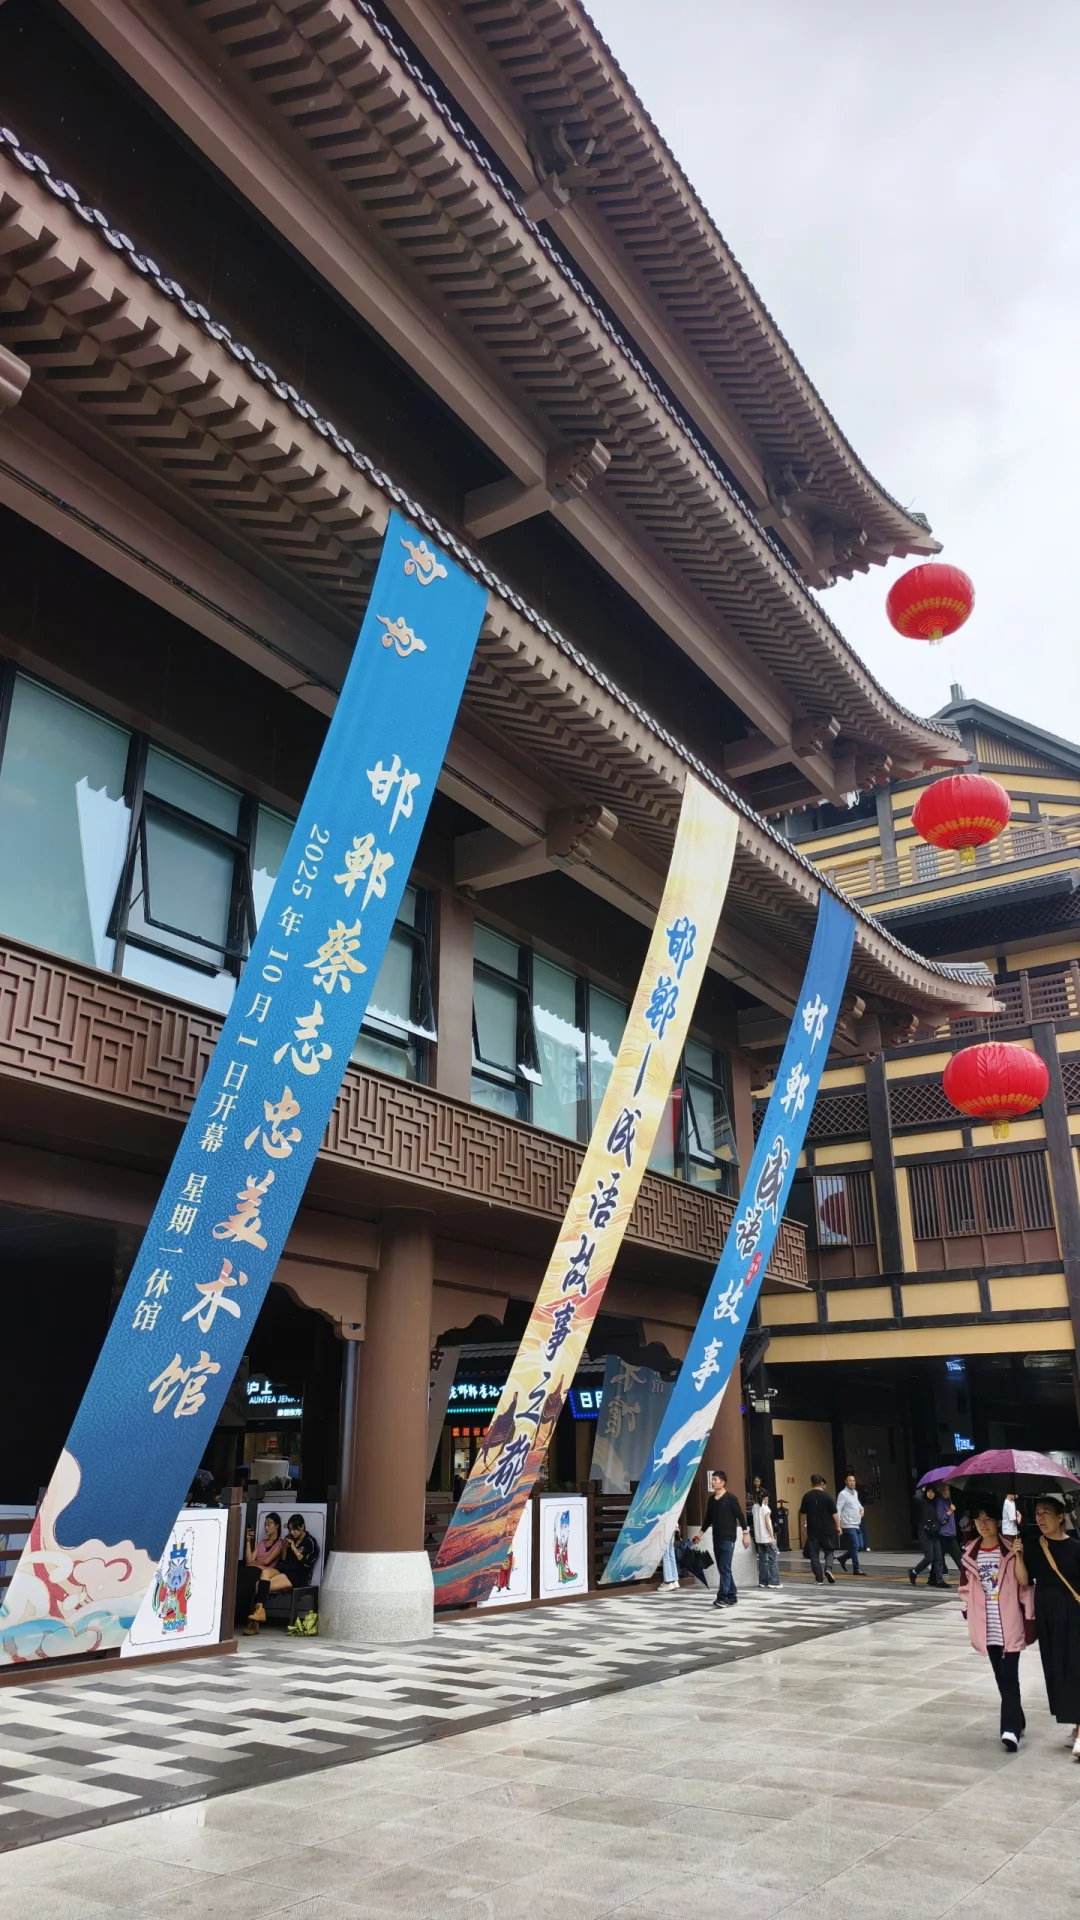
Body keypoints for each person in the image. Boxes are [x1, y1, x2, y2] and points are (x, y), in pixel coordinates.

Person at [958, 1492, 1031, 1751]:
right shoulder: (970, 1552)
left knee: (1009, 1677)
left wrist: (1020, 1556)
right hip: (986, 1625)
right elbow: (964, 1587)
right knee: (1002, 1678)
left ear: (998, 1522)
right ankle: (1018, 1718)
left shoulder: (1011, 1549)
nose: (983, 1524)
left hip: (1009, 1623)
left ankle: (1009, 1730)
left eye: (988, 1519)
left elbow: (1025, 1585)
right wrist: (967, 1610)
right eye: (978, 1520)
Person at [1013, 1491, 1080, 1757]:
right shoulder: (1032, 1544)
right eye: (1037, 1513)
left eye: (1046, 1513)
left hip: (1073, 1613)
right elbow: (1023, 1581)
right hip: (1047, 1614)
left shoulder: (1075, 1547)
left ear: (1061, 1517)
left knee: (1075, 1666)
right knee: (1057, 1668)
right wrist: (1018, 1557)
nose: (1040, 1518)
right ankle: (1075, 1726)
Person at [243, 1513, 320, 1634]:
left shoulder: (310, 1542)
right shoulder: (290, 1539)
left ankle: (255, 1622)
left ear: (302, 1527)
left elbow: (306, 1563)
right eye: (290, 1529)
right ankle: (259, 1613)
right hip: (284, 1569)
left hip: (297, 1575)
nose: (292, 1532)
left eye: (295, 1529)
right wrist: (284, 1548)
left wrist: (294, 1548)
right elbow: (284, 1560)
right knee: (265, 1572)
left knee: (260, 1585)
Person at [694, 1469, 749, 1609]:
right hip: (716, 1538)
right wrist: (700, 1534)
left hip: (728, 1538)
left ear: (723, 1482)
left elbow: (740, 1516)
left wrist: (745, 1534)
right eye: (712, 1479)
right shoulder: (711, 1500)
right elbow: (708, 1519)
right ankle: (732, 1595)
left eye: (715, 1480)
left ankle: (722, 1597)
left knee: (724, 1567)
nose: (713, 1482)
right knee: (723, 1568)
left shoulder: (731, 1498)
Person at [234, 1510, 285, 1623]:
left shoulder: (279, 1543)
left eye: (269, 1524)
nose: (266, 1527)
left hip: (263, 1573)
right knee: (240, 1574)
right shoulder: (261, 1543)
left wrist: (255, 1562)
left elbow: (267, 1561)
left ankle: (237, 1615)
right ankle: (235, 1613)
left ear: (276, 1526)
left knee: (246, 1577)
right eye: (265, 1524)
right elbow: (249, 1561)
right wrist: (248, 1542)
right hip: (251, 1569)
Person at [799, 1474, 839, 1585]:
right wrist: (838, 1525)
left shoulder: (807, 1496)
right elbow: (834, 1513)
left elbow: (802, 1513)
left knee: (814, 1555)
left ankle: (819, 1578)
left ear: (811, 1483)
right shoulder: (827, 1497)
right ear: (821, 1483)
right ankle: (828, 1569)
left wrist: (803, 1526)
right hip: (826, 1529)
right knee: (829, 1551)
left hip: (813, 1530)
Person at [909, 1484, 947, 1587]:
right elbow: (916, 1497)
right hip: (924, 1533)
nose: (931, 1494)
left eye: (933, 1492)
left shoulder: (934, 1503)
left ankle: (939, 1580)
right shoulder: (921, 1501)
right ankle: (914, 1572)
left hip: (934, 1533)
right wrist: (922, 1489)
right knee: (929, 1558)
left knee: (938, 1558)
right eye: (929, 1491)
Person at [836, 1473, 867, 1576]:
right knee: (855, 1546)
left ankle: (843, 1558)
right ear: (846, 1482)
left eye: (853, 1481)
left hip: (856, 1524)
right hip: (848, 1524)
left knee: (860, 1546)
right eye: (850, 1481)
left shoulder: (855, 1493)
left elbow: (857, 1504)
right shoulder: (843, 1494)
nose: (852, 1482)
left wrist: (862, 1509)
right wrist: (838, 1525)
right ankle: (856, 1568)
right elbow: (838, 1509)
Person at [752, 1489, 780, 1588]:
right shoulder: (766, 1509)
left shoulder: (754, 1507)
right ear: (766, 1498)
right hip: (767, 1538)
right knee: (772, 1560)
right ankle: (774, 1581)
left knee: (762, 1560)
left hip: (759, 1538)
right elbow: (767, 1523)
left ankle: (762, 1581)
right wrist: (772, 1537)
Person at [936, 1482, 964, 1579]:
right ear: (940, 1490)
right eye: (945, 1489)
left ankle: (964, 1574)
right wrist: (950, 1511)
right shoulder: (939, 1502)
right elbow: (940, 1519)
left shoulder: (948, 1501)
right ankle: (941, 1573)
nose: (948, 1491)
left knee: (955, 1556)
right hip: (944, 1534)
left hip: (950, 1534)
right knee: (944, 1556)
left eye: (948, 1489)